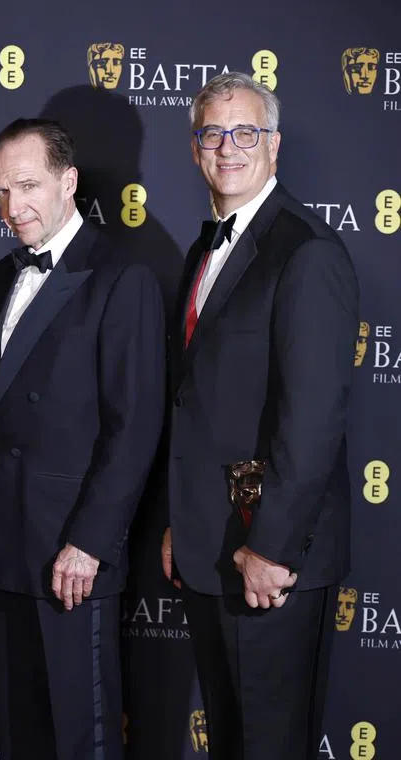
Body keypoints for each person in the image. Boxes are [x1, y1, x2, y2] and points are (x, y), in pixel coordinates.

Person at [161, 72, 358, 760]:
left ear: (274, 146)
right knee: (232, 740)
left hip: (271, 558)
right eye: (213, 133)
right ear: (194, 148)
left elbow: (314, 420)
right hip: (211, 545)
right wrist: (181, 521)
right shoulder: (204, 250)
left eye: (246, 133)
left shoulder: (306, 250)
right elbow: (199, 402)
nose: (228, 148)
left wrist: (271, 549)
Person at [0, 118, 165, 760]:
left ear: (68, 182)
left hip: (68, 550)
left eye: (28, 186)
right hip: (2, 541)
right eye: (1, 190)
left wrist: (89, 543)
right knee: (17, 729)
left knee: (80, 735)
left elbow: (134, 425)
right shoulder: (5, 273)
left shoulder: (121, 276)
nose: (12, 206)